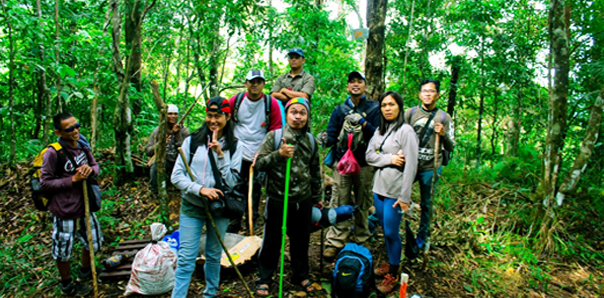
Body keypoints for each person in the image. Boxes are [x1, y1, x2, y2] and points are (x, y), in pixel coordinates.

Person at [170, 97, 243, 298]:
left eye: (218, 116)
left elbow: (232, 183)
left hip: (219, 207)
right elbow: (176, 176)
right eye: (209, 116)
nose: (213, 121)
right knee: (186, 257)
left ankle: (210, 293)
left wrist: (221, 155)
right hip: (192, 205)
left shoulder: (235, 146)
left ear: (227, 117)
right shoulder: (191, 141)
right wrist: (199, 189)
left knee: (213, 254)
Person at [254, 97, 322, 296]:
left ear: (307, 116)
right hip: (277, 197)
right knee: (272, 240)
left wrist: (317, 196)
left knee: (301, 240)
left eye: (302, 112)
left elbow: (315, 170)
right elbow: (260, 164)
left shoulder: (311, 140)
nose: (298, 116)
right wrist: (279, 155)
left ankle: (300, 275)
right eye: (293, 112)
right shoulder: (274, 137)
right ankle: (265, 278)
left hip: (303, 199)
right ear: (287, 114)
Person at [40, 112, 103, 296]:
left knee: (94, 240)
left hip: (85, 204)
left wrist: (90, 170)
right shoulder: (53, 153)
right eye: (70, 129)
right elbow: (45, 184)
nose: (75, 131)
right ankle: (66, 283)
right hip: (64, 208)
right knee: (63, 248)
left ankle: (86, 270)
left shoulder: (83, 145)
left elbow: (95, 166)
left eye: (77, 126)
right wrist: (73, 179)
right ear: (58, 132)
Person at [321, 71, 381, 258]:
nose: (355, 84)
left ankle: (361, 238)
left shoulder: (374, 109)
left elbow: (379, 136)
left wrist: (363, 122)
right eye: (352, 82)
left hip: (364, 163)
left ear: (365, 86)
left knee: (363, 201)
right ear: (347, 87)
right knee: (339, 199)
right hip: (342, 163)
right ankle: (335, 240)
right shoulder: (340, 110)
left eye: (359, 81)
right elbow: (332, 136)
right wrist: (324, 139)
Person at [366, 91, 418, 293]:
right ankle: (391, 262)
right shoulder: (379, 131)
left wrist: (405, 197)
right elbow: (369, 156)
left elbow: (411, 165)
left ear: (399, 107)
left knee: (390, 231)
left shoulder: (406, 131)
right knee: (385, 231)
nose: (387, 108)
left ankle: (394, 272)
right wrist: (390, 159)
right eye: (384, 105)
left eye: (392, 104)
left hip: (395, 192)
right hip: (378, 188)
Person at [228, 70, 283, 232]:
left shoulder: (270, 103)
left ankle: (252, 221)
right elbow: (224, 120)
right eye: (252, 82)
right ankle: (234, 220)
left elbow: (276, 129)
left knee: (255, 189)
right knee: (236, 187)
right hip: (237, 153)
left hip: (259, 153)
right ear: (246, 83)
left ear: (263, 84)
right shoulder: (236, 101)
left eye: (258, 82)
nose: (255, 85)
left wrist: (264, 152)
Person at [404, 79, 455, 249]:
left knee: (427, 204)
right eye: (424, 91)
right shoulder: (410, 114)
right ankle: (374, 224)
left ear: (437, 95)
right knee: (395, 194)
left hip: (431, 168)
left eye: (431, 91)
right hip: (410, 165)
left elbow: (450, 146)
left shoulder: (444, 117)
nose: (427, 94)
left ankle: (422, 239)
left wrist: (444, 134)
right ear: (419, 94)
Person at [145, 104, 190, 196]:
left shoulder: (184, 131)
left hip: (180, 161)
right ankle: (155, 193)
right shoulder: (158, 131)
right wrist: (160, 144)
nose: (173, 116)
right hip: (165, 160)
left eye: (175, 114)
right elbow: (148, 151)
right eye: (170, 114)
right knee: (155, 166)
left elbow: (188, 149)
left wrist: (177, 136)